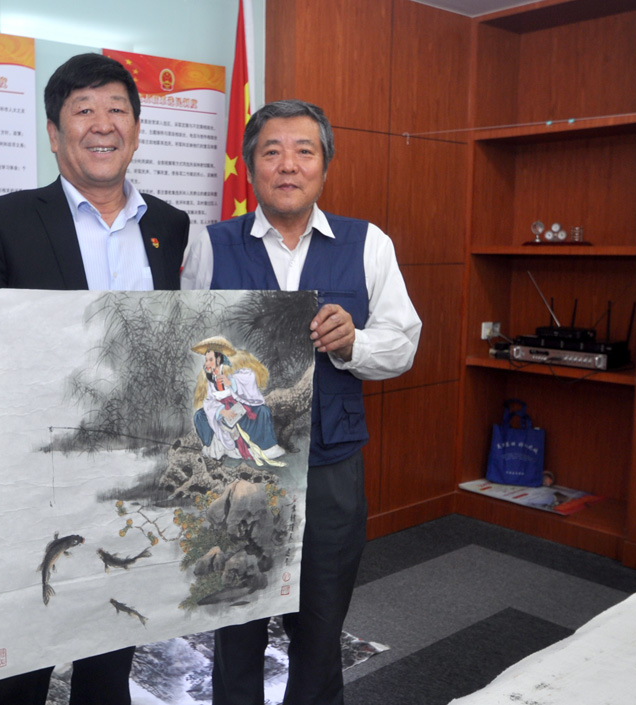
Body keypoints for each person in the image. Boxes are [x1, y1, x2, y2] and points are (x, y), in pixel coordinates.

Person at [0, 53, 190, 705]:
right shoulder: (5, 219)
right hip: (40, 478)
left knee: (112, 644)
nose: (103, 124)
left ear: (136, 128)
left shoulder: (169, 225)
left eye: (117, 109)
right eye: (83, 110)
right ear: (54, 132)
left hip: (132, 474)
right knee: (23, 662)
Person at [181, 99, 422, 705]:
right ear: (250, 167)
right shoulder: (210, 245)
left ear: (324, 164)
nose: (288, 165)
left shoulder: (368, 244)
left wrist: (354, 342)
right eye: (272, 152)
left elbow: (402, 345)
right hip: (237, 472)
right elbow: (183, 348)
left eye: (303, 151)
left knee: (319, 626)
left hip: (331, 468)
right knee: (235, 618)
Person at [191, 335, 284, 465]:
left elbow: (249, 377)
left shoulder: (232, 365)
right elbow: (209, 400)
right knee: (199, 416)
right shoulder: (210, 377)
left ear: (219, 358)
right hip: (223, 411)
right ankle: (220, 448)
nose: (207, 363)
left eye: (210, 359)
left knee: (263, 412)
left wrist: (232, 382)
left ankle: (261, 447)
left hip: (239, 404)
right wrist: (221, 411)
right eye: (206, 360)